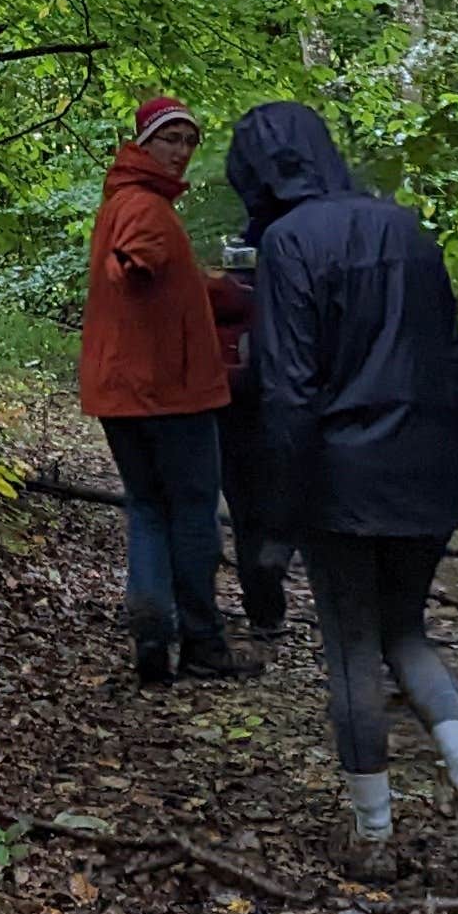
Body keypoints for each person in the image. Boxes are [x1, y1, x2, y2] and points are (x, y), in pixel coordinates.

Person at [228, 98, 458, 877]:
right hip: (427, 468)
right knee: (408, 633)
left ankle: (373, 835)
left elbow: (288, 390)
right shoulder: (407, 229)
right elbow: (452, 362)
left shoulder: (289, 243)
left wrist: (274, 515)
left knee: (354, 645)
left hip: (341, 476)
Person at [77, 95, 251, 684]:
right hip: (168, 393)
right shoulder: (144, 207)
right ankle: (202, 641)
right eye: (170, 138)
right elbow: (134, 266)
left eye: (187, 141)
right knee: (193, 511)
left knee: (149, 509)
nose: (179, 151)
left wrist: (210, 288)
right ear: (144, 142)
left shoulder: (120, 202)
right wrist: (139, 266)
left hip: (123, 392)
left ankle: (153, 635)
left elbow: (155, 284)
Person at [208, 240, 293, 638]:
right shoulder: (274, 306)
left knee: (243, 517)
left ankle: (260, 611)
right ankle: (271, 589)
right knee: (278, 504)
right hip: (269, 417)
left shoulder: (211, 307)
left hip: (223, 418)